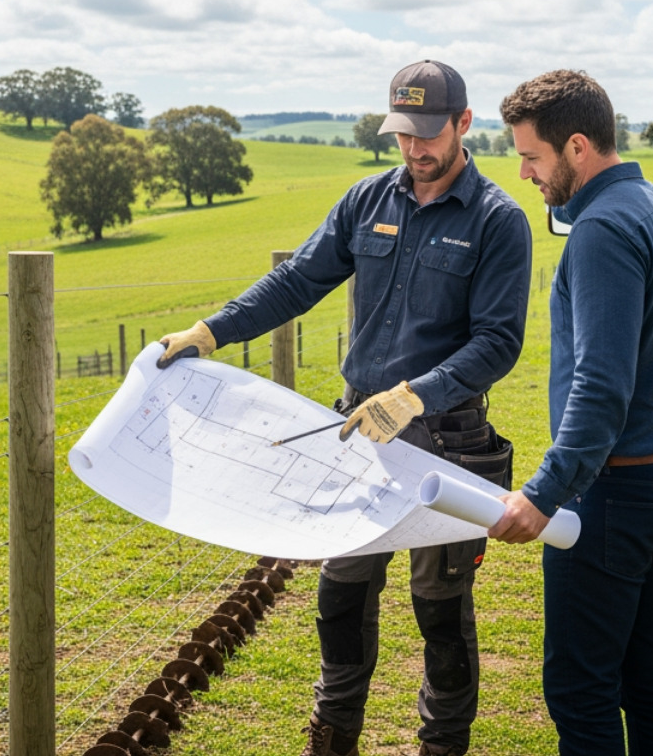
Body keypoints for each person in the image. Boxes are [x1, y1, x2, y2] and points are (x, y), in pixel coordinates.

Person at [159, 60, 532, 756]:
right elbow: (297, 281)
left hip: (445, 446)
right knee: (341, 598)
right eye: (403, 136)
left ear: (462, 124)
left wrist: (416, 395)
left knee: (440, 614)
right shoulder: (366, 202)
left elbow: (498, 342)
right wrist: (213, 329)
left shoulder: (497, 221)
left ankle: (442, 745)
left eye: (428, 135)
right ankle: (332, 741)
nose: (415, 150)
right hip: (358, 435)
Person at [489, 69, 653, 756]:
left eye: (533, 157)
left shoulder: (601, 230)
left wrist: (544, 494)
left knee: (579, 687)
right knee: (644, 672)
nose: (528, 174)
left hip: (613, 494)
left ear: (578, 148)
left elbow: (598, 385)